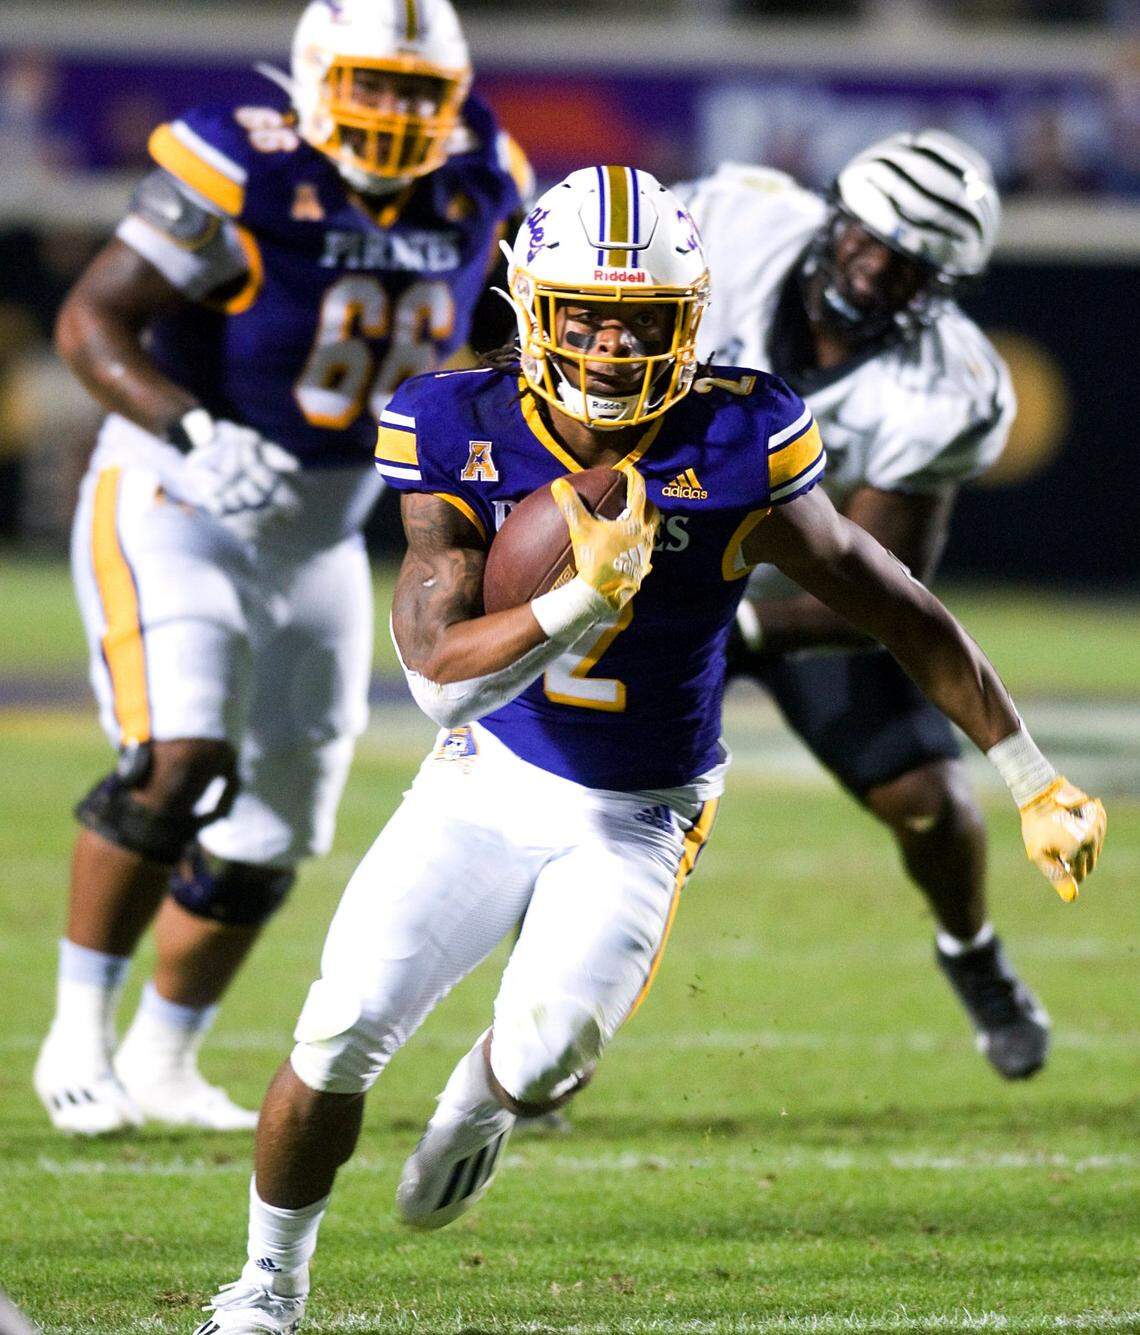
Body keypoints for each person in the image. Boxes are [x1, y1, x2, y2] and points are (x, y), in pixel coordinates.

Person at [190, 166, 1104, 1334]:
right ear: (533, 306)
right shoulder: (451, 420)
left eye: (646, 319)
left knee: (547, 1054)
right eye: (587, 313)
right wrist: (574, 604)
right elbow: (431, 673)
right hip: (486, 780)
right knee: (339, 1027)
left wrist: (1029, 776)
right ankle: (266, 1289)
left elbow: (893, 600)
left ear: (691, 321)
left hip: (641, 809)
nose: (615, 345)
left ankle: (485, 1100)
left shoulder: (739, 433)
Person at [34, 0, 531, 1136]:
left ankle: (163, 1058)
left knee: (277, 826)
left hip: (326, 523)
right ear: (314, 75)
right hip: (178, 493)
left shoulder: (481, 174)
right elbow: (90, 324)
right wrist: (195, 430)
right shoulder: (239, 164)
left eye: (419, 91)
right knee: (179, 755)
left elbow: (503, 339)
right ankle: (76, 1036)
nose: (398, 112)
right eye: (373, 83)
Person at [675, 131, 1053, 1078]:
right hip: (648, 562)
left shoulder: (948, 388)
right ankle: (536, 1026)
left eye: (911, 266)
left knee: (928, 803)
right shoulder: (727, 225)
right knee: (583, 808)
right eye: (868, 240)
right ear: (835, 215)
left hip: (798, 592)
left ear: (945, 287)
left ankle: (972, 951)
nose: (877, 271)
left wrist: (739, 630)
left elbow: (878, 588)